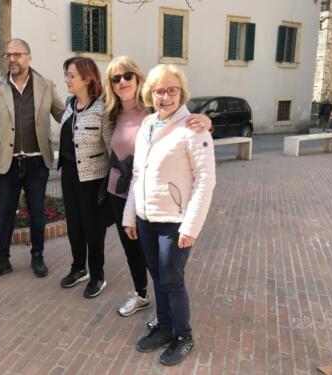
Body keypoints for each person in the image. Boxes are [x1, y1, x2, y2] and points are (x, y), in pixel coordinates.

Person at [103, 56, 213, 317]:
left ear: (138, 78)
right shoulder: (111, 112)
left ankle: (177, 326)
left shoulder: (153, 110)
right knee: (140, 257)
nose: (122, 81)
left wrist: (207, 123)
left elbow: (191, 135)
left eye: (127, 75)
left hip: (166, 206)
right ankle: (150, 305)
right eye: (115, 78)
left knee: (169, 273)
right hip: (127, 195)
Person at [123, 64, 216, 366]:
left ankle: (183, 334)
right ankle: (164, 326)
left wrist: (191, 226)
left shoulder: (194, 128)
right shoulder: (148, 123)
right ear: (150, 93)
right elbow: (138, 173)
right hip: (147, 219)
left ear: (181, 92)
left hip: (176, 222)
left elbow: (205, 179)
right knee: (157, 276)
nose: (165, 96)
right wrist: (130, 215)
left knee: (172, 279)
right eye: (159, 90)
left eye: (172, 90)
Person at [0, 39, 64, 281]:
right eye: (8, 55)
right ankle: (2, 259)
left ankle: (38, 255)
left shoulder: (45, 85)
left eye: (17, 54)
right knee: (5, 213)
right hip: (8, 161)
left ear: (29, 57)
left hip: (37, 162)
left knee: (37, 212)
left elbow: (61, 115)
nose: (12, 59)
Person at [58, 56, 111, 298]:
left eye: (71, 75)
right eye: (67, 74)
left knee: (93, 229)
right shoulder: (70, 104)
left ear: (87, 78)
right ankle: (79, 268)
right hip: (69, 175)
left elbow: (111, 148)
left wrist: (110, 185)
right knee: (74, 226)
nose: (66, 79)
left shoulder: (102, 109)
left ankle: (97, 274)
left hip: (93, 178)